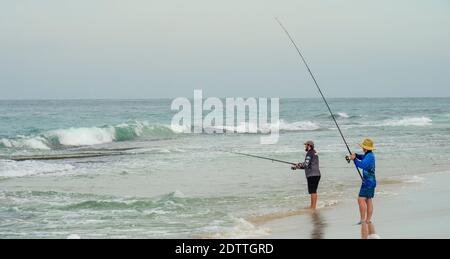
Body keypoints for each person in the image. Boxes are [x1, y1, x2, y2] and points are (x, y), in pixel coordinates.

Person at [347, 139, 377, 225]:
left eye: (363, 147)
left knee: (360, 199)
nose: (362, 148)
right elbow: (362, 157)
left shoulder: (369, 156)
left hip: (368, 182)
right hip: (371, 181)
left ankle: (363, 220)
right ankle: (368, 220)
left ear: (366, 148)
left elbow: (362, 165)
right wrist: (356, 155)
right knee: (368, 200)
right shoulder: (369, 155)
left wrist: (354, 159)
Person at [291, 140, 321, 209]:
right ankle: (313, 206)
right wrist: (297, 166)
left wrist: (297, 165)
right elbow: (308, 165)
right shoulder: (314, 152)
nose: (305, 146)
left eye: (306, 145)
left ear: (309, 146)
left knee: (313, 191)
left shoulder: (309, 153)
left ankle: (313, 207)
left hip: (312, 175)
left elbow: (306, 164)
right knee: (314, 191)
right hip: (317, 174)